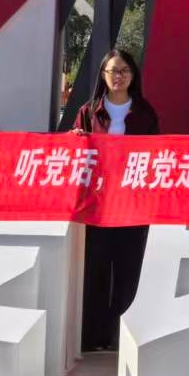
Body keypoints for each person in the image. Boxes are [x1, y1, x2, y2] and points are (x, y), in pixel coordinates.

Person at [74, 48, 158, 352]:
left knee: (128, 272)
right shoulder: (88, 111)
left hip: (132, 206)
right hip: (97, 206)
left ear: (133, 75)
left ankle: (120, 338)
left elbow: (155, 157)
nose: (119, 76)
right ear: (103, 75)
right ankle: (91, 336)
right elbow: (76, 155)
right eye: (113, 71)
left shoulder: (145, 113)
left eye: (124, 70)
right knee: (94, 271)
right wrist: (75, 140)